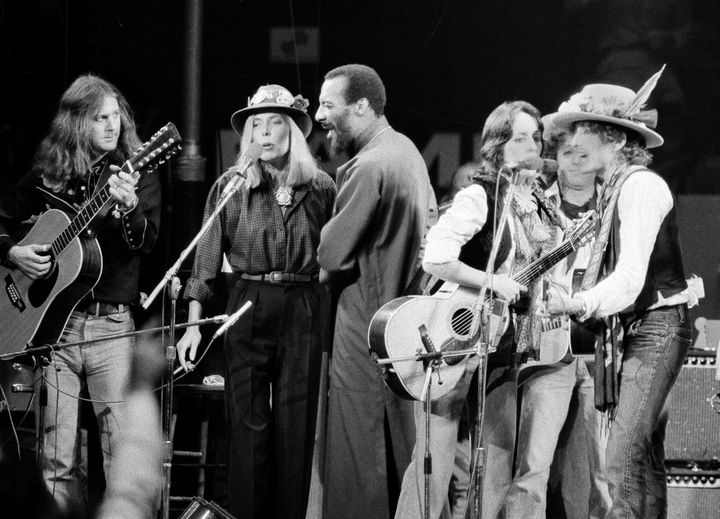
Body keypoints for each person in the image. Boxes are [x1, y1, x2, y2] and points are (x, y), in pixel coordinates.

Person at [0, 73, 160, 516]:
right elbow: (3, 222)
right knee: (55, 452)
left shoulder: (136, 171)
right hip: (56, 329)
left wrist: (129, 209)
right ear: (76, 124)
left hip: (111, 327)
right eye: (98, 118)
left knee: (119, 448)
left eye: (115, 117)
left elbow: (146, 243)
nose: (111, 126)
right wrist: (13, 251)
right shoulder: (46, 176)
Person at [177, 84, 336, 519]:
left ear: (294, 130)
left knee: (296, 424)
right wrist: (193, 325)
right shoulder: (231, 186)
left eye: (275, 123)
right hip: (247, 299)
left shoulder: (321, 185)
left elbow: (337, 254)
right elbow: (206, 260)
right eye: (256, 125)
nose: (265, 133)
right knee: (247, 422)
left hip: (303, 300)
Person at [544, 79, 695, 518]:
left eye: (582, 131)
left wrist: (576, 303)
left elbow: (630, 280)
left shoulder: (640, 187)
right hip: (640, 328)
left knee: (623, 457)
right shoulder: (615, 187)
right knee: (640, 459)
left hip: (658, 327)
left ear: (611, 136)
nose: (572, 143)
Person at [395, 100, 552, 519]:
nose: (531, 145)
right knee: (434, 462)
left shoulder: (531, 201)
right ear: (498, 144)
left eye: (535, 137)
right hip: (456, 335)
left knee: (497, 461)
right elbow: (436, 258)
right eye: (520, 138)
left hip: (503, 340)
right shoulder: (480, 196)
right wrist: (492, 281)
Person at [314, 64, 437, 519]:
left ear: (362, 106)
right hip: (399, 323)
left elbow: (330, 257)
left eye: (329, 104)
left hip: (362, 323)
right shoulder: (406, 151)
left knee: (355, 455)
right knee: (395, 450)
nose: (321, 115)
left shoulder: (367, 165)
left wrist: (329, 269)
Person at [503, 114, 611, 518]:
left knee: (604, 471)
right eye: (568, 152)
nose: (577, 161)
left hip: (603, 352)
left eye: (586, 153)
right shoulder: (534, 201)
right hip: (549, 349)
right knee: (533, 465)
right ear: (555, 156)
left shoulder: (617, 203)